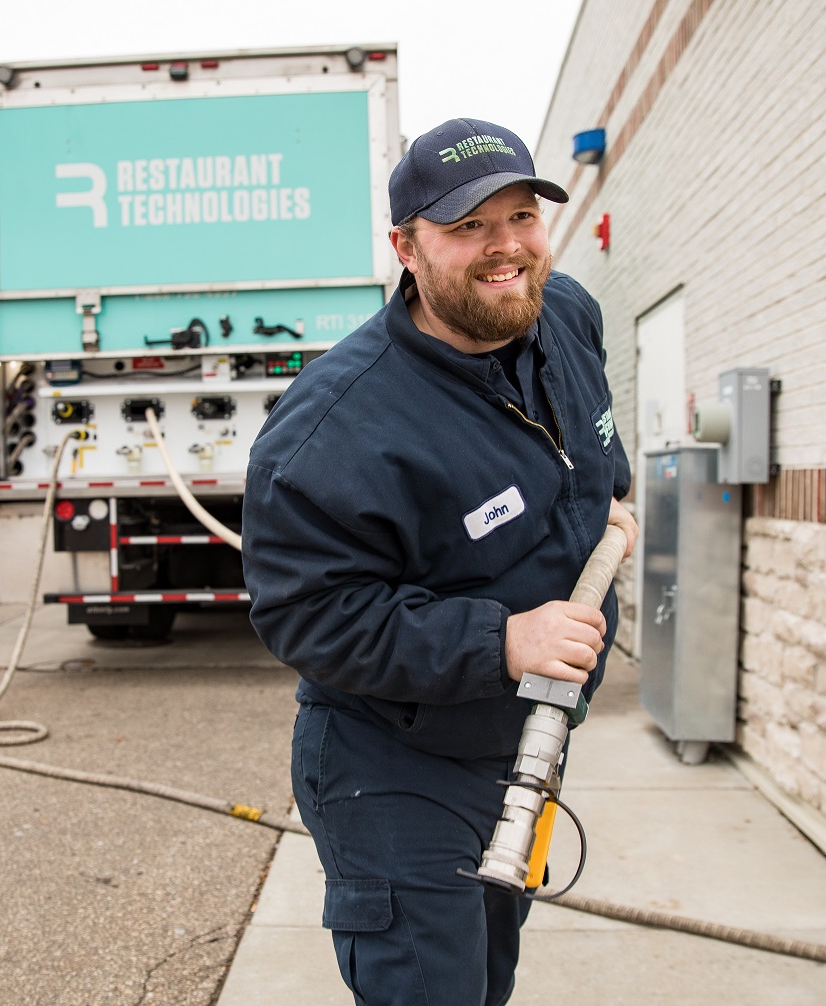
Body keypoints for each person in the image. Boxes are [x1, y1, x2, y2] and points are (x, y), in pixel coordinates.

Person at [240, 118, 638, 1006]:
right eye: (468, 228)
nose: (506, 249)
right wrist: (503, 640)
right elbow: (307, 615)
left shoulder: (565, 314)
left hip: (523, 744)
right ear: (407, 248)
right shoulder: (332, 433)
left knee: (486, 980)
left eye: (522, 217)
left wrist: (605, 504)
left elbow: (586, 450)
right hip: (394, 769)